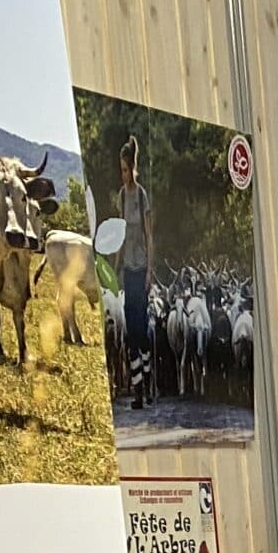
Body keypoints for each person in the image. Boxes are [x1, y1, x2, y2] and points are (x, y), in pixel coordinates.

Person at [115, 137, 155, 408]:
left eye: (126, 169)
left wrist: (151, 270)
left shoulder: (141, 196)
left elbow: (149, 236)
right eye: (121, 170)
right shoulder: (121, 195)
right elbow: (119, 232)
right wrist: (114, 264)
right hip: (127, 268)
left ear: (133, 167)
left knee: (141, 331)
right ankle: (138, 392)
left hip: (141, 268)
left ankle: (148, 382)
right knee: (130, 332)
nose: (124, 174)